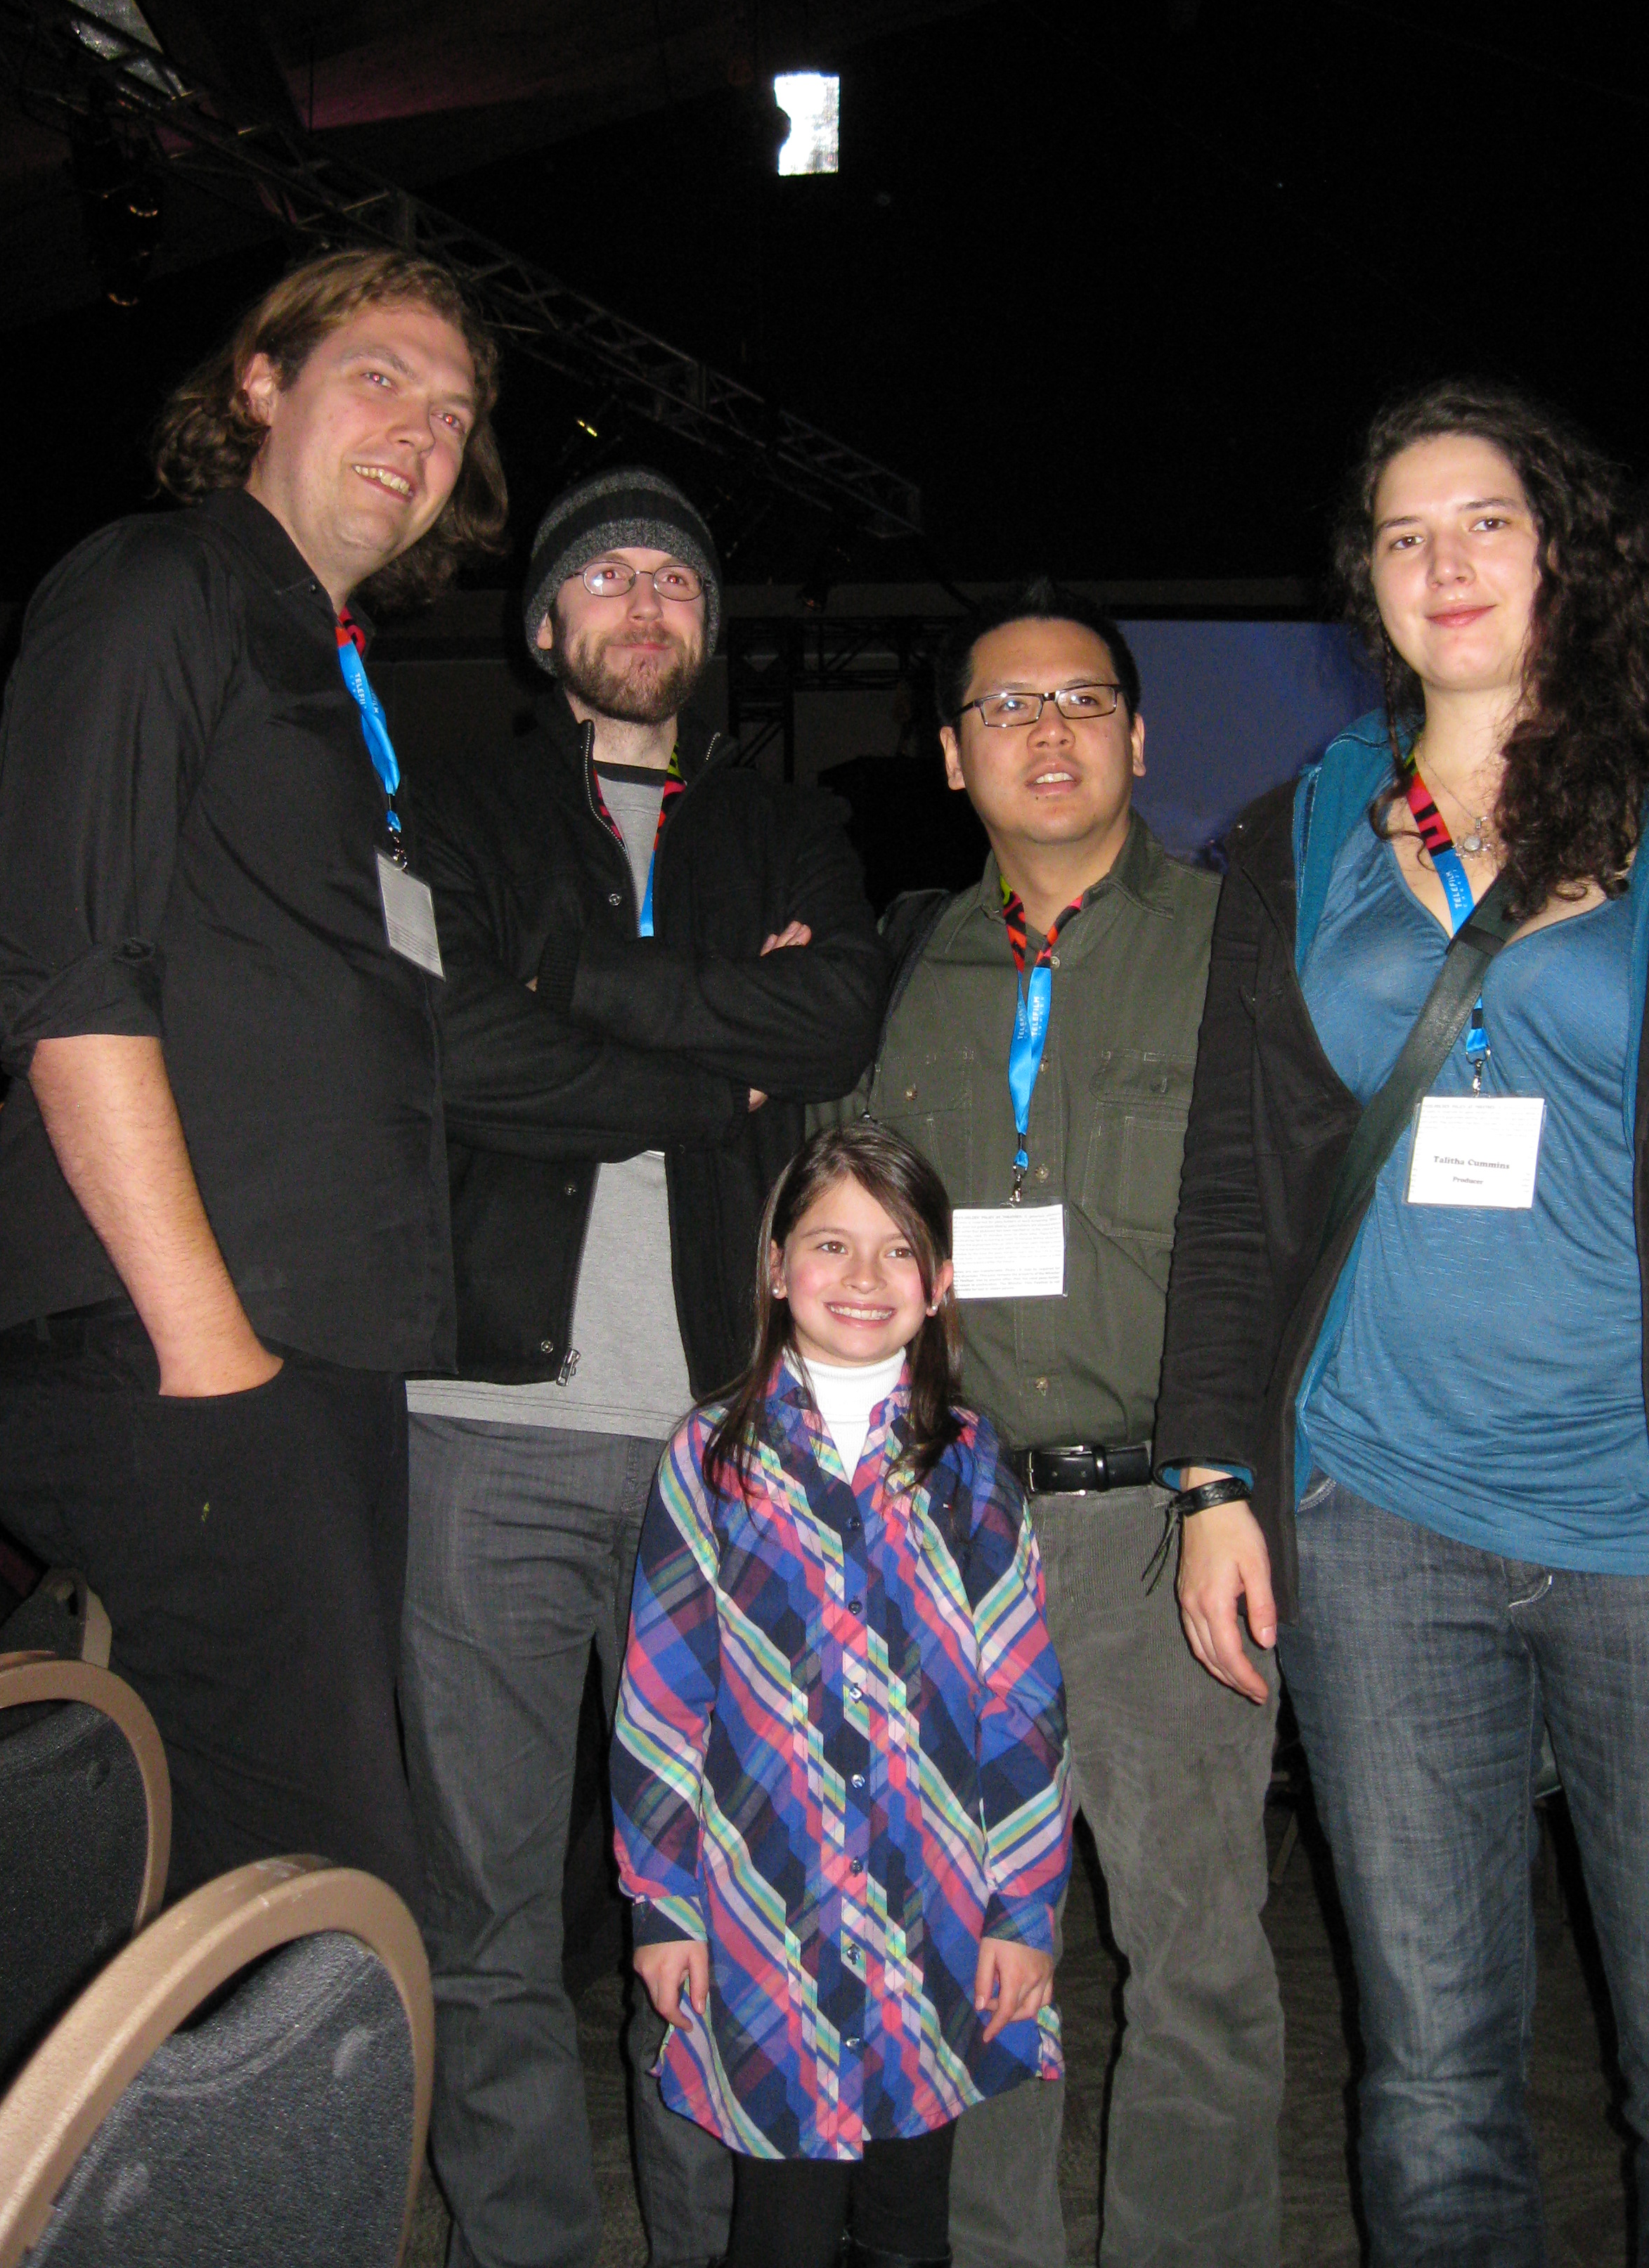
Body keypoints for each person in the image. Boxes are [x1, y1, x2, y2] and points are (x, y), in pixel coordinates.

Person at [1158, 377, 1649, 2267]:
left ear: (1566, 553)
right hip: (1381, 1515)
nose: (1443, 562)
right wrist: (1218, 1474)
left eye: (1485, 521)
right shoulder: (1301, 835)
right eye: (1402, 534)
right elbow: (1241, 1189)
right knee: (1435, 2081)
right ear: (1365, 586)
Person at [0, 245, 507, 1907]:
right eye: (379, 379)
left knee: (225, 1885)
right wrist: (210, 1347)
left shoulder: (331, 683)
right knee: (314, 1896)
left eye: (457, 412)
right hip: (182, 1347)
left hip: (298, 1353)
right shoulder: (159, 587)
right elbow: (66, 975)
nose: (422, 433)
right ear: (259, 384)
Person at [402, 465, 888, 2268]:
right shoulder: (446, 806)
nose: (644, 600)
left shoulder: (782, 828)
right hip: (480, 1434)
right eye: (603, 574)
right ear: (544, 627)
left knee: (727, 1912)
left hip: (719, 1445)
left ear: (706, 627)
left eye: (675, 578)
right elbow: (449, 1044)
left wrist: (578, 989)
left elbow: (831, 1012)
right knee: (487, 1909)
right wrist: (710, 1059)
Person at [827, 581, 1283, 2268]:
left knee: (1201, 1958)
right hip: (954, 1537)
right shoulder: (901, 968)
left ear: (1139, 736)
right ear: (951, 755)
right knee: (975, 1957)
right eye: (1006, 708)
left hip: (1171, 1522)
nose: (1047, 729)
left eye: (1081, 699)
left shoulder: (1244, 945)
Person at [612, 1122, 1072, 2268]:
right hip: (767, 1922)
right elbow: (663, 1703)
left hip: (937, 1920)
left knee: (911, 2224)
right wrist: (663, 1905)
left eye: (897, 1250)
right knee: (783, 2229)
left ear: (941, 1282)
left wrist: (1023, 1908)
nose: (864, 1278)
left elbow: (1023, 1704)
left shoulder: (972, 1470)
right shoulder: (708, 1460)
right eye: (829, 1245)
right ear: (776, 1269)